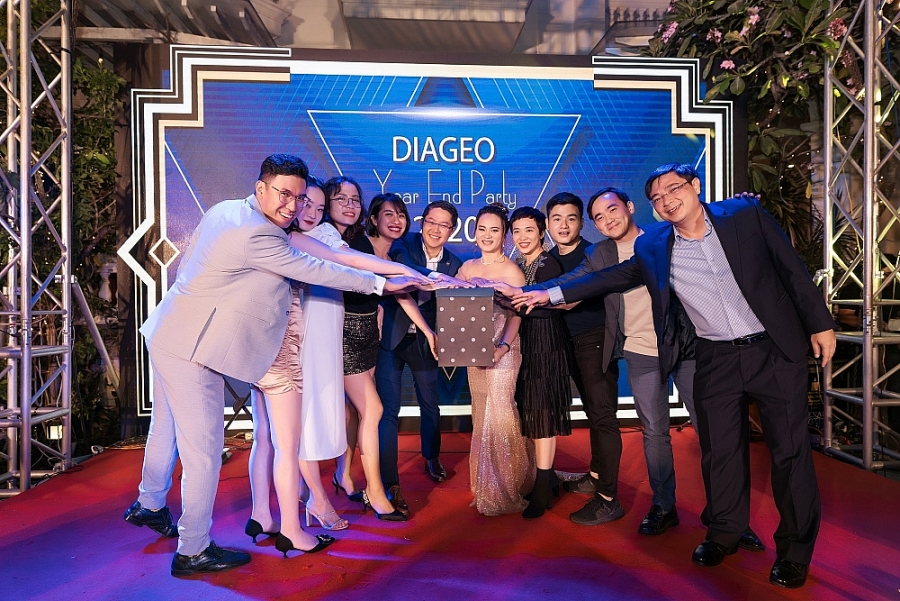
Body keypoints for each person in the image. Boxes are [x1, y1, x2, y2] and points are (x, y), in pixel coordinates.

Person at [511, 163, 836, 589]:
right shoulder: (654, 246)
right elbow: (608, 277)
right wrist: (546, 294)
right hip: (716, 357)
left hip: (773, 349)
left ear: (695, 186)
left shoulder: (744, 215)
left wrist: (820, 323)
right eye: (657, 197)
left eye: (673, 189)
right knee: (720, 452)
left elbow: (790, 266)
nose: (666, 200)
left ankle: (794, 551)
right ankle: (724, 532)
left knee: (790, 454)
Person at [124, 155, 421, 574]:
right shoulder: (260, 234)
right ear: (261, 188)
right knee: (205, 451)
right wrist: (382, 285)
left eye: (300, 198)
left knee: (166, 427)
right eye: (284, 194)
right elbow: (319, 270)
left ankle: (150, 502)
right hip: (193, 348)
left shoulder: (227, 208)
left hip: (170, 330)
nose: (292, 205)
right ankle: (193, 549)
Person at [245, 178, 426, 538]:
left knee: (292, 427)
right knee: (289, 428)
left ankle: (284, 505)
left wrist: (400, 279)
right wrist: (401, 277)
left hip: (323, 335)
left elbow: (352, 265)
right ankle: (314, 500)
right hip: (301, 340)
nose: (309, 211)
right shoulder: (300, 237)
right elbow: (348, 264)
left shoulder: (320, 235)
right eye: (306, 203)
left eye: (316, 206)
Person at [326, 181, 437, 520]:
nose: (396, 220)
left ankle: (344, 474)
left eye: (401, 215)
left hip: (368, 335)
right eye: (388, 214)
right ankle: (375, 490)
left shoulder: (391, 254)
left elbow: (400, 292)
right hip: (344, 332)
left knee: (357, 411)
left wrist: (428, 330)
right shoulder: (357, 245)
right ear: (373, 218)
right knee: (373, 408)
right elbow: (387, 284)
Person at [376, 200, 468, 514]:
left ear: (452, 230)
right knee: (388, 409)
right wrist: (440, 279)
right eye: (431, 221)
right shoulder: (404, 245)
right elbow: (407, 272)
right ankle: (390, 479)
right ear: (422, 221)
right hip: (392, 337)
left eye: (443, 225)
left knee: (430, 404)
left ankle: (431, 456)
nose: (435, 229)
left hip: (428, 342)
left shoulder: (456, 264)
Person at [542, 192, 624, 524]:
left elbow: (568, 298)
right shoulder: (545, 258)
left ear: (582, 222)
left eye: (571, 218)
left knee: (603, 415)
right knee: (592, 412)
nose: (563, 225)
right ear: (547, 223)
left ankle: (608, 498)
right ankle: (596, 475)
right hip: (565, 343)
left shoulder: (596, 254)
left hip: (595, 340)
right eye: (557, 219)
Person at [457, 204, 534, 515]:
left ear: (504, 236)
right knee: (481, 411)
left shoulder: (512, 271)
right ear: (474, 232)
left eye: (495, 230)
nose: (487, 235)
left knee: (500, 412)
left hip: (504, 349)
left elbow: (518, 314)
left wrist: (502, 347)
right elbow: (454, 308)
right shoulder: (466, 268)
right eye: (482, 229)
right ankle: (486, 484)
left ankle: (510, 483)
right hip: (473, 353)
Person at [509, 206, 573, 519]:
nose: (522, 237)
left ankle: (544, 486)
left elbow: (546, 305)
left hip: (546, 343)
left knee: (544, 412)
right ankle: (545, 480)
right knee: (532, 411)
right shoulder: (518, 264)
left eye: (529, 230)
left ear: (542, 233)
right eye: (517, 231)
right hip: (527, 343)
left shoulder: (549, 264)